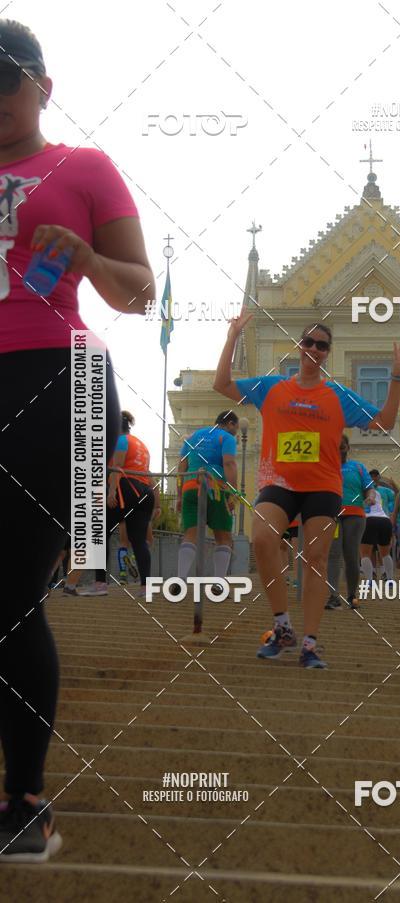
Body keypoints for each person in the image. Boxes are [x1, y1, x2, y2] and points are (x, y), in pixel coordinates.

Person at [0, 20, 154, 862]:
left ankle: (25, 799)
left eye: (5, 78)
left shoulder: (82, 167)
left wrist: (88, 255)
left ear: (42, 86)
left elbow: (139, 292)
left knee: (13, 588)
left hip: (53, 380)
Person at [214, 313, 400, 668]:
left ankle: (309, 643)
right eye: (309, 342)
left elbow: (385, 421)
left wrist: (396, 375)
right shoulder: (272, 388)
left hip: (322, 486)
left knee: (316, 560)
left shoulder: (337, 395)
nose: (314, 349)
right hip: (279, 483)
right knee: (261, 540)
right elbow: (223, 384)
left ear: (327, 353)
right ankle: (283, 627)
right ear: (299, 346)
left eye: (322, 345)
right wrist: (232, 337)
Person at [80, 411, 159, 598]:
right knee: (139, 540)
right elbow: (148, 474)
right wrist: (156, 504)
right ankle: (146, 587)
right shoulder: (140, 444)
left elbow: (117, 468)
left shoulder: (120, 441)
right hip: (144, 492)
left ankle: (100, 584)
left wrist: (112, 491)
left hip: (126, 489)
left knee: (100, 533)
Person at [176, 411, 239, 594]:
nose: (235, 432)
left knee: (191, 534)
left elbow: (182, 466)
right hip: (215, 488)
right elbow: (229, 464)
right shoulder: (226, 437)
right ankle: (218, 584)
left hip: (190, 486)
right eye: (235, 427)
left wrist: (180, 495)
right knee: (223, 537)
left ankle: (180, 580)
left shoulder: (195, 436)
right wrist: (232, 492)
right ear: (229, 423)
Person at [326, 435, 375, 610]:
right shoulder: (326, 467)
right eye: (336, 447)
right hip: (333, 515)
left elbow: (369, 488)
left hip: (354, 515)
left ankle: (352, 595)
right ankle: (333, 596)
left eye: (342, 447)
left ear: (348, 448)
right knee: (333, 554)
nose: (340, 450)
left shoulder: (358, 467)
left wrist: (370, 497)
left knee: (351, 555)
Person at [360, 487, 395, 590]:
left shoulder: (359, 492)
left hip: (369, 520)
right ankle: (389, 580)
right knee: (385, 554)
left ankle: (370, 581)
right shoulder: (376, 492)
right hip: (384, 520)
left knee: (365, 554)